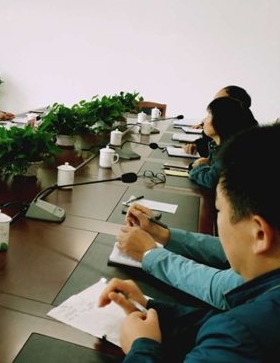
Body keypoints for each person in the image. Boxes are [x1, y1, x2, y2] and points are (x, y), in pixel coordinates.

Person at [99, 124, 280, 361]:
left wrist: (142, 346)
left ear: (260, 235)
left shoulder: (241, 337)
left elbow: (232, 325)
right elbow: (218, 321)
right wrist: (151, 307)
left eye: (219, 211)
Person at [187, 96, 257, 189]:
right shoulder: (216, 145)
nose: (203, 120)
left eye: (209, 115)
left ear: (221, 121)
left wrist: (199, 166)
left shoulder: (230, 151)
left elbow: (211, 180)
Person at [185, 85, 253, 156]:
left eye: (218, 101)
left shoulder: (241, 137)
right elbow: (207, 142)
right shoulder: (235, 124)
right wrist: (196, 144)